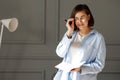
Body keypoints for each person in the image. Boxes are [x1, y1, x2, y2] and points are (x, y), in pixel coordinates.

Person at [54, 4, 106, 80]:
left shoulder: (98, 38)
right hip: (64, 77)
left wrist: (81, 68)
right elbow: (60, 53)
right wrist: (69, 32)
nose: (79, 22)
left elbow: (99, 65)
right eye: (76, 19)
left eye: (82, 18)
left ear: (88, 17)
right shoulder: (70, 33)